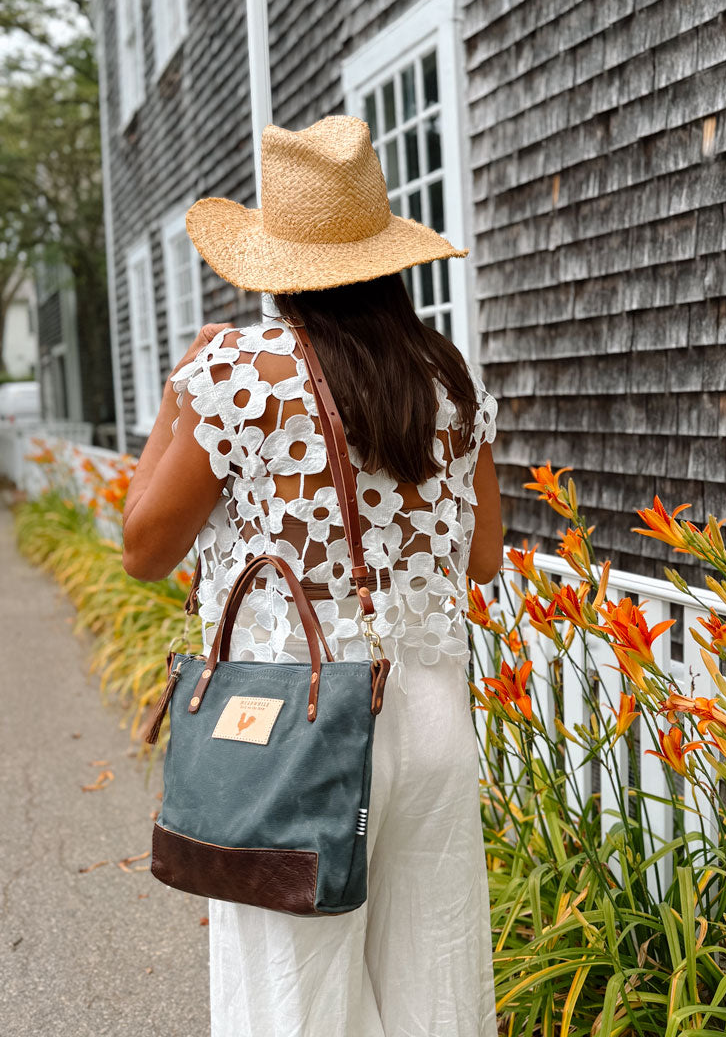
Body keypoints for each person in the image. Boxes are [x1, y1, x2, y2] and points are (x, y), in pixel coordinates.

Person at [122, 114, 503, 1036]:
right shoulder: (443, 378)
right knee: (434, 988)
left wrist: (179, 394)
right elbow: (484, 557)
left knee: (295, 1006)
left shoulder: (236, 374)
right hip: (429, 718)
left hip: (293, 723)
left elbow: (143, 551)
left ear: (278, 264)